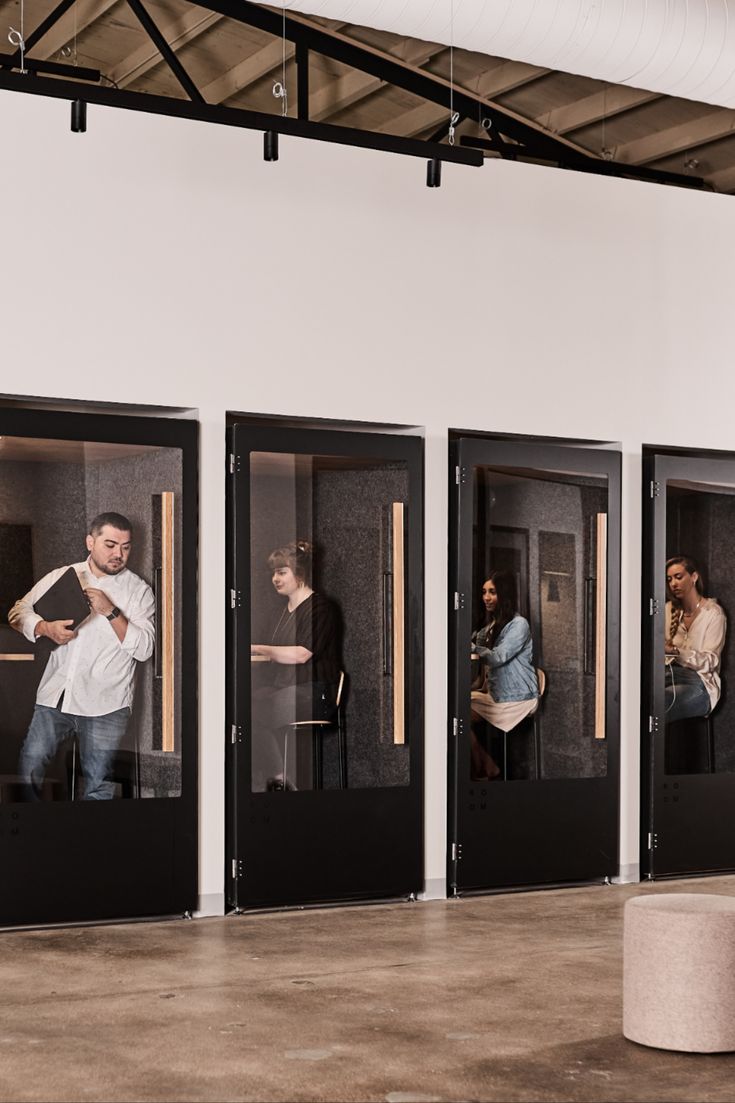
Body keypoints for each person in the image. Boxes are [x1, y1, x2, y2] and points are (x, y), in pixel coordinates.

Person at [9, 512, 155, 800]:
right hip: (56, 696)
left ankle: (86, 844)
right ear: (91, 541)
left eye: (126, 547)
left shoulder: (138, 591)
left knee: (98, 786)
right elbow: (17, 611)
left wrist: (111, 612)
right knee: (28, 770)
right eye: (110, 545)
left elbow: (145, 648)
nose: (118, 554)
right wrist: (44, 627)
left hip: (106, 704)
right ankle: (35, 837)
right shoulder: (63, 576)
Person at [250, 540, 340, 791]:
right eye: (273, 573)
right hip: (285, 690)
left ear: (299, 574)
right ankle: (271, 780)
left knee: (255, 713)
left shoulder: (321, 608)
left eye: (281, 572)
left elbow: (302, 654)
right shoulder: (282, 612)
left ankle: (279, 781)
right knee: (240, 708)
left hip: (315, 692)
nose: (275, 579)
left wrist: (259, 649)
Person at [470, 570, 539, 780]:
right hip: (499, 693)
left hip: (519, 697)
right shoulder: (492, 626)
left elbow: (498, 657)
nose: (486, 597)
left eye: (492, 592)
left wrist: (472, 647)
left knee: (459, 715)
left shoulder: (520, 625)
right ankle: (487, 766)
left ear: (505, 595)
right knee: (453, 711)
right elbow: (472, 640)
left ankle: (485, 767)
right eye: (484, 592)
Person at [664, 555, 726, 723]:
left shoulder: (713, 613)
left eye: (678, 577)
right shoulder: (667, 610)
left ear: (694, 577)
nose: (673, 584)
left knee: (660, 701)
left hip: (701, 684)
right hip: (670, 676)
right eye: (669, 579)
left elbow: (711, 662)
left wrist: (676, 652)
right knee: (635, 694)